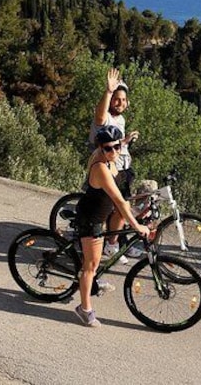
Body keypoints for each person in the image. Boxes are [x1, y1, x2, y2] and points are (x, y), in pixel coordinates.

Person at [74, 125, 151, 327]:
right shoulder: (100, 167)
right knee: (91, 266)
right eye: (108, 148)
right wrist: (136, 226)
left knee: (96, 260)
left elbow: (120, 198)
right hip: (91, 219)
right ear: (100, 148)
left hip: (102, 213)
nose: (114, 151)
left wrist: (125, 141)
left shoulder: (110, 157)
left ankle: (91, 283)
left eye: (117, 147)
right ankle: (84, 309)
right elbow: (119, 200)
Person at [88, 68, 140, 261]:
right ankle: (112, 246)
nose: (120, 103)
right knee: (120, 206)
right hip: (109, 169)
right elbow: (100, 119)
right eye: (117, 99)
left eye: (124, 100)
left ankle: (120, 243)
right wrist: (108, 91)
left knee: (125, 206)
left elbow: (115, 142)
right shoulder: (105, 116)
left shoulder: (121, 119)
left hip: (123, 166)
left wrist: (126, 140)